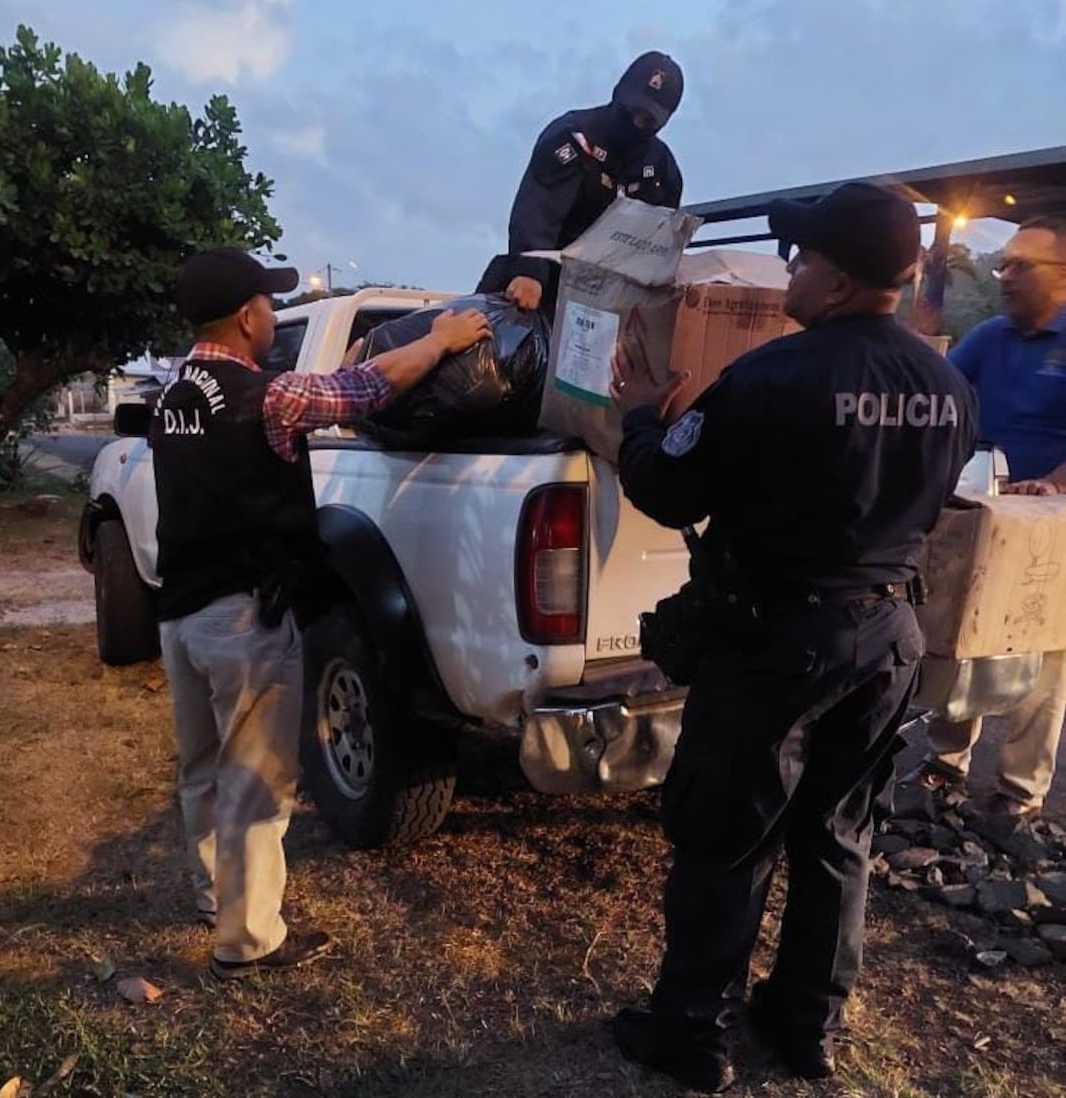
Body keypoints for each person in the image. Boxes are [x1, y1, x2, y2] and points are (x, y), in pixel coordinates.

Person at [607, 183, 978, 1092]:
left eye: (802, 260)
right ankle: (808, 1024)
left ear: (841, 280)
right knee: (839, 834)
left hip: (778, 642)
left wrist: (642, 417)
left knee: (730, 835)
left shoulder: (772, 376)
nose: (790, 276)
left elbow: (667, 488)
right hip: (887, 636)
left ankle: (693, 1034)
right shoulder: (948, 384)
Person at [151, 248, 490, 980]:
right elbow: (364, 390)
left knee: (203, 768)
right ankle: (249, 942)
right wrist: (440, 341)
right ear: (247, 317)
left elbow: (339, 382)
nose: (272, 315)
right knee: (255, 780)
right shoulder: (266, 397)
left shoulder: (173, 392)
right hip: (243, 619)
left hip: (180, 614)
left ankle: (215, 897)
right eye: (267, 304)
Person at [907, 215, 1066, 820]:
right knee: (963, 631)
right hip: (986, 510)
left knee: (1044, 651)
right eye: (1004, 264)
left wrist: (1052, 483)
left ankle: (1020, 790)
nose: (1007, 275)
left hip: (1051, 520)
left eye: (1022, 265)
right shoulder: (991, 337)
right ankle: (946, 760)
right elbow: (939, 388)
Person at [476, 51, 684, 318]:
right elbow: (538, 211)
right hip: (543, 283)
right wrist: (529, 272)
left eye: (647, 120)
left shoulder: (662, 171)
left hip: (608, 302)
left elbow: (658, 249)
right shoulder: (572, 136)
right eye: (631, 110)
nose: (635, 123)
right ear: (617, 93)